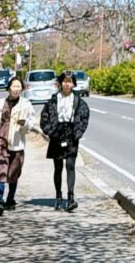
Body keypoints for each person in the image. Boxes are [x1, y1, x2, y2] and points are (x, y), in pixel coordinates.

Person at [40, 70, 90, 211]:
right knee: (58, 167)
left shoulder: (78, 101)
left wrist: (78, 133)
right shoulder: (54, 100)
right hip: (57, 133)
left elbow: (84, 117)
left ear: (73, 84)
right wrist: (51, 132)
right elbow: (44, 118)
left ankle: (71, 197)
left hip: (71, 134)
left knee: (70, 165)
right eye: (65, 81)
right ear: (60, 83)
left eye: (70, 81)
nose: (67, 84)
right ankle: (58, 196)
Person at [0, 75, 36, 215]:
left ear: (22, 89)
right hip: (0, 140)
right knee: (1, 171)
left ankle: (10, 199)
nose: (16, 89)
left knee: (13, 173)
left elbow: (31, 123)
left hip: (17, 142)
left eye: (18, 87)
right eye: (13, 86)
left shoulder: (26, 104)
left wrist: (24, 123)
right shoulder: (0, 103)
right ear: (9, 88)